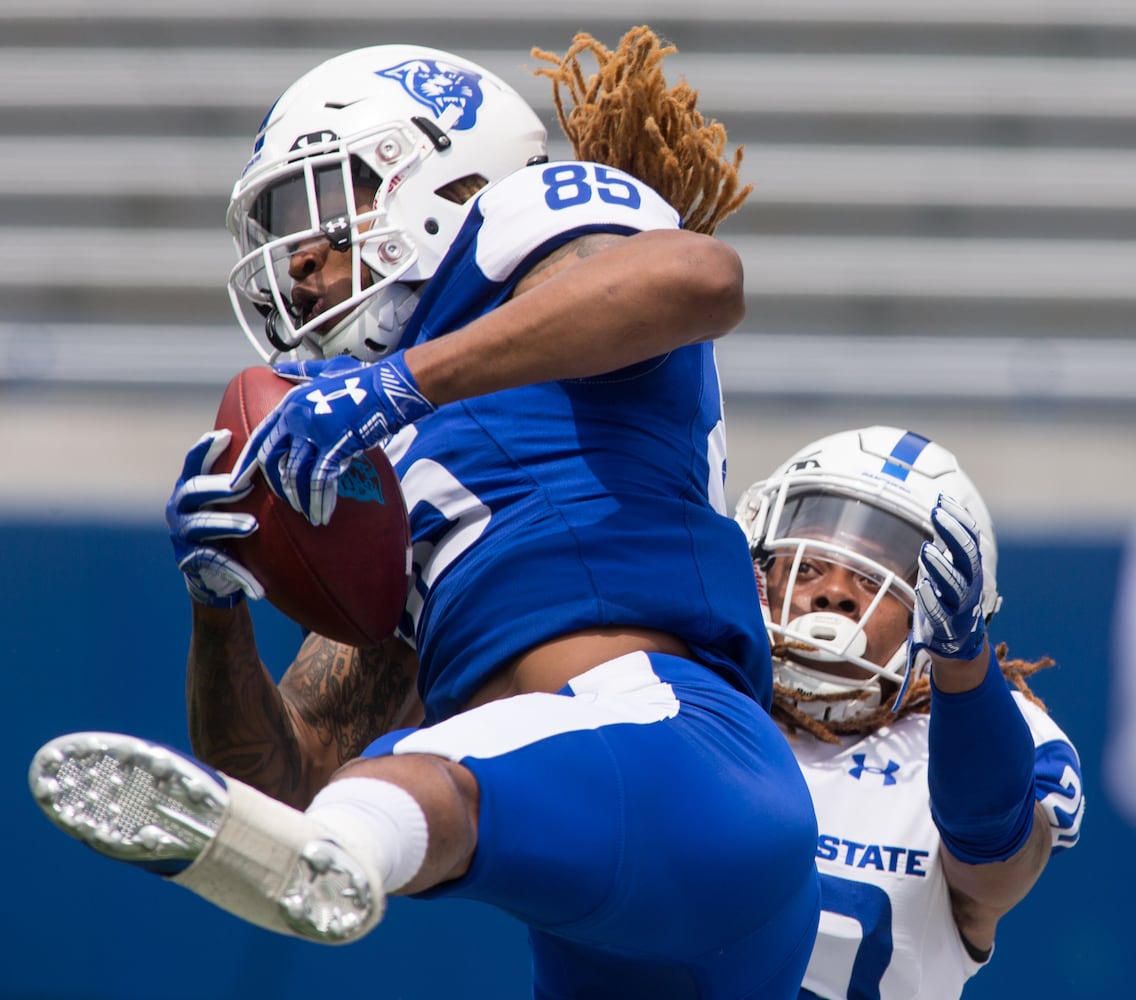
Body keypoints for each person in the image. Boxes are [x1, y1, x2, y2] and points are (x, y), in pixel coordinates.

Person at [28, 28, 822, 998]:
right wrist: (218, 605)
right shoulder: (396, 473)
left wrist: (398, 383)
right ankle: (352, 838)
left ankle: (357, 841)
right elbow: (286, 782)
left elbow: (698, 279)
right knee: (350, 797)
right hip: (608, 888)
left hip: (673, 753)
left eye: (322, 201)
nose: (301, 260)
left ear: (435, 171)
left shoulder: (521, 234)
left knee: (397, 786)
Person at [734, 425, 1085, 999]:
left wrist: (966, 670)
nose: (835, 593)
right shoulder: (689, 694)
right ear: (761, 565)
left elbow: (997, 864)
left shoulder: (971, 743)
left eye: (873, 575)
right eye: (812, 564)